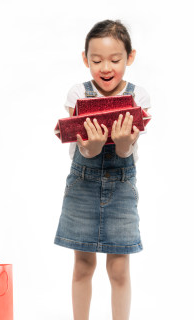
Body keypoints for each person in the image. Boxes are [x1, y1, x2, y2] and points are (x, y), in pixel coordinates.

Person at [54, 20, 151, 320]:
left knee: (119, 268)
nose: (105, 68)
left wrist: (123, 143)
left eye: (115, 59)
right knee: (83, 265)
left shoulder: (139, 97)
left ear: (130, 57)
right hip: (82, 184)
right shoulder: (77, 94)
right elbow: (83, 149)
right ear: (85, 60)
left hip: (122, 186)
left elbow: (127, 152)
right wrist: (92, 147)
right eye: (96, 60)